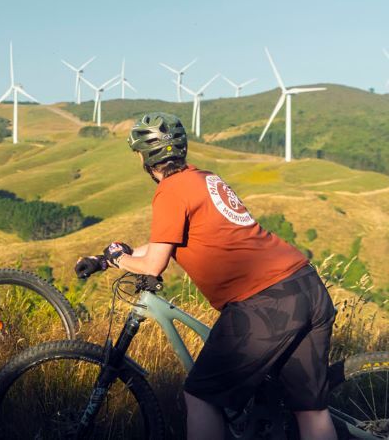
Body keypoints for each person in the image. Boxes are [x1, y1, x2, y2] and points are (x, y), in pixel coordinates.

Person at [75, 112, 337, 440]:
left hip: (265, 301)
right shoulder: (205, 179)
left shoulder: (170, 190)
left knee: (201, 397)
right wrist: (106, 260)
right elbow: (166, 243)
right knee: (310, 409)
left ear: (144, 157)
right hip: (304, 285)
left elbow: (155, 265)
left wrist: (120, 258)